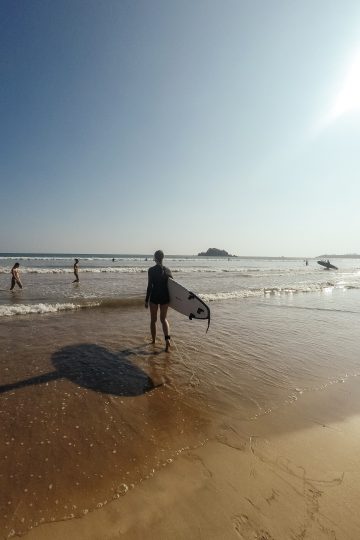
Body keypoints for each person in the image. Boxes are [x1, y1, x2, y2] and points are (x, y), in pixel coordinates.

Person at [145, 250, 173, 351]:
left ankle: (153, 341)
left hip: (154, 297)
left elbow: (149, 286)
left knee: (153, 320)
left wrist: (146, 300)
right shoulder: (168, 270)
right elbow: (173, 287)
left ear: (155, 258)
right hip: (165, 297)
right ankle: (167, 340)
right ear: (163, 257)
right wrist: (173, 300)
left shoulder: (151, 270)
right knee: (163, 319)